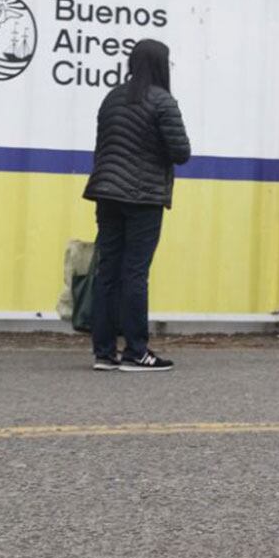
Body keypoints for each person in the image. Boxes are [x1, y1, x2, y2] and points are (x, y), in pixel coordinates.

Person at [83, 39, 192, 372]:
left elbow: (104, 148)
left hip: (106, 193)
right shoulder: (162, 101)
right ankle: (136, 351)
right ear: (161, 64)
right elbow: (181, 152)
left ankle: (104, 352)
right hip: (143, 197)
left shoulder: (112, 98)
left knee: (108, 272)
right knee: (135, 273)